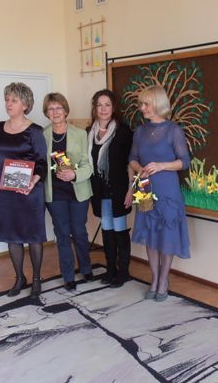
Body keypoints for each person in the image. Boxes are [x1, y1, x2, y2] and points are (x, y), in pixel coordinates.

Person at [129, 85, 191, 302]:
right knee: (151, 235)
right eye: (141, 104)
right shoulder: (140, 131)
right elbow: (132, 158)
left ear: (157, 104)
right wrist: (140, 169)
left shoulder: (173, 130)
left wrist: (161, 165)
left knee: (167, 236)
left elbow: (184, 162)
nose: (142, 108)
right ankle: (154, 278)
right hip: (145, 189)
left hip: (167, 192)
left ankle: (164, 280)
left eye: (146, 104)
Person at [0, 82, 47, 300]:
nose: (9, 104)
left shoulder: (35, 131)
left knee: (33, 236)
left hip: (29, 192)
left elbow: (42, 162)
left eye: (14, 100)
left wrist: (34, 180)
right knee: (12, 236)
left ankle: (36, 279)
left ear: (25, 104)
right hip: (5, 192)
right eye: (7, 99)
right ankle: (19, 278)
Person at [42, 93, 94, 291]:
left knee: (79, 231)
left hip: (77, 191)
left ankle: (86, 268)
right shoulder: (42, 135)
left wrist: (74, 174)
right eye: (51, 109)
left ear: (65, 111)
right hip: (54, 193)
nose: (55, 112)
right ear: (47, 112)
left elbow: (88, 166)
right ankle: (68, 276)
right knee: (62, 233)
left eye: (59, 108)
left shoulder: (80, 134)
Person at [87, 89, 134, 287]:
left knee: (119, 229)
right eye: (99, 105)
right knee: (106, 229)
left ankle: (123, 272)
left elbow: (131, 163)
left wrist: (131, 189)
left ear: (113, 108)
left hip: (119, 189)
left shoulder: (123, 131)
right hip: (99, 190)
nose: (103, 109)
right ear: (95, 108)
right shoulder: (89, 132)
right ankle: (110, 269)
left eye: (107, 105)